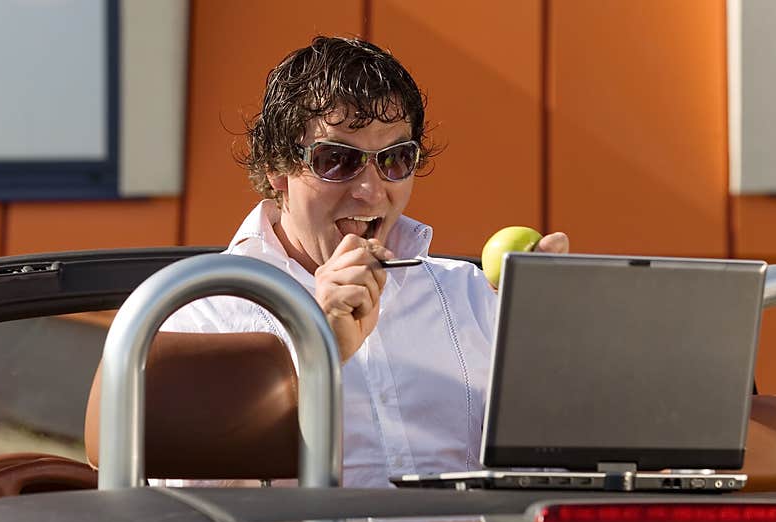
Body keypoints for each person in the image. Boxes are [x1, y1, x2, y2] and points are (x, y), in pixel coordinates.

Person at [157, 36, 569, 487]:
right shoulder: (205, 312)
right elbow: (187, 506)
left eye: (395, 159)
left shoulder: (471, 297)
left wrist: (559, 348)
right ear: (277, 167)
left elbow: (553, 474)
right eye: (336, 159)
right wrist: (320, 349)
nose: (371, 191)